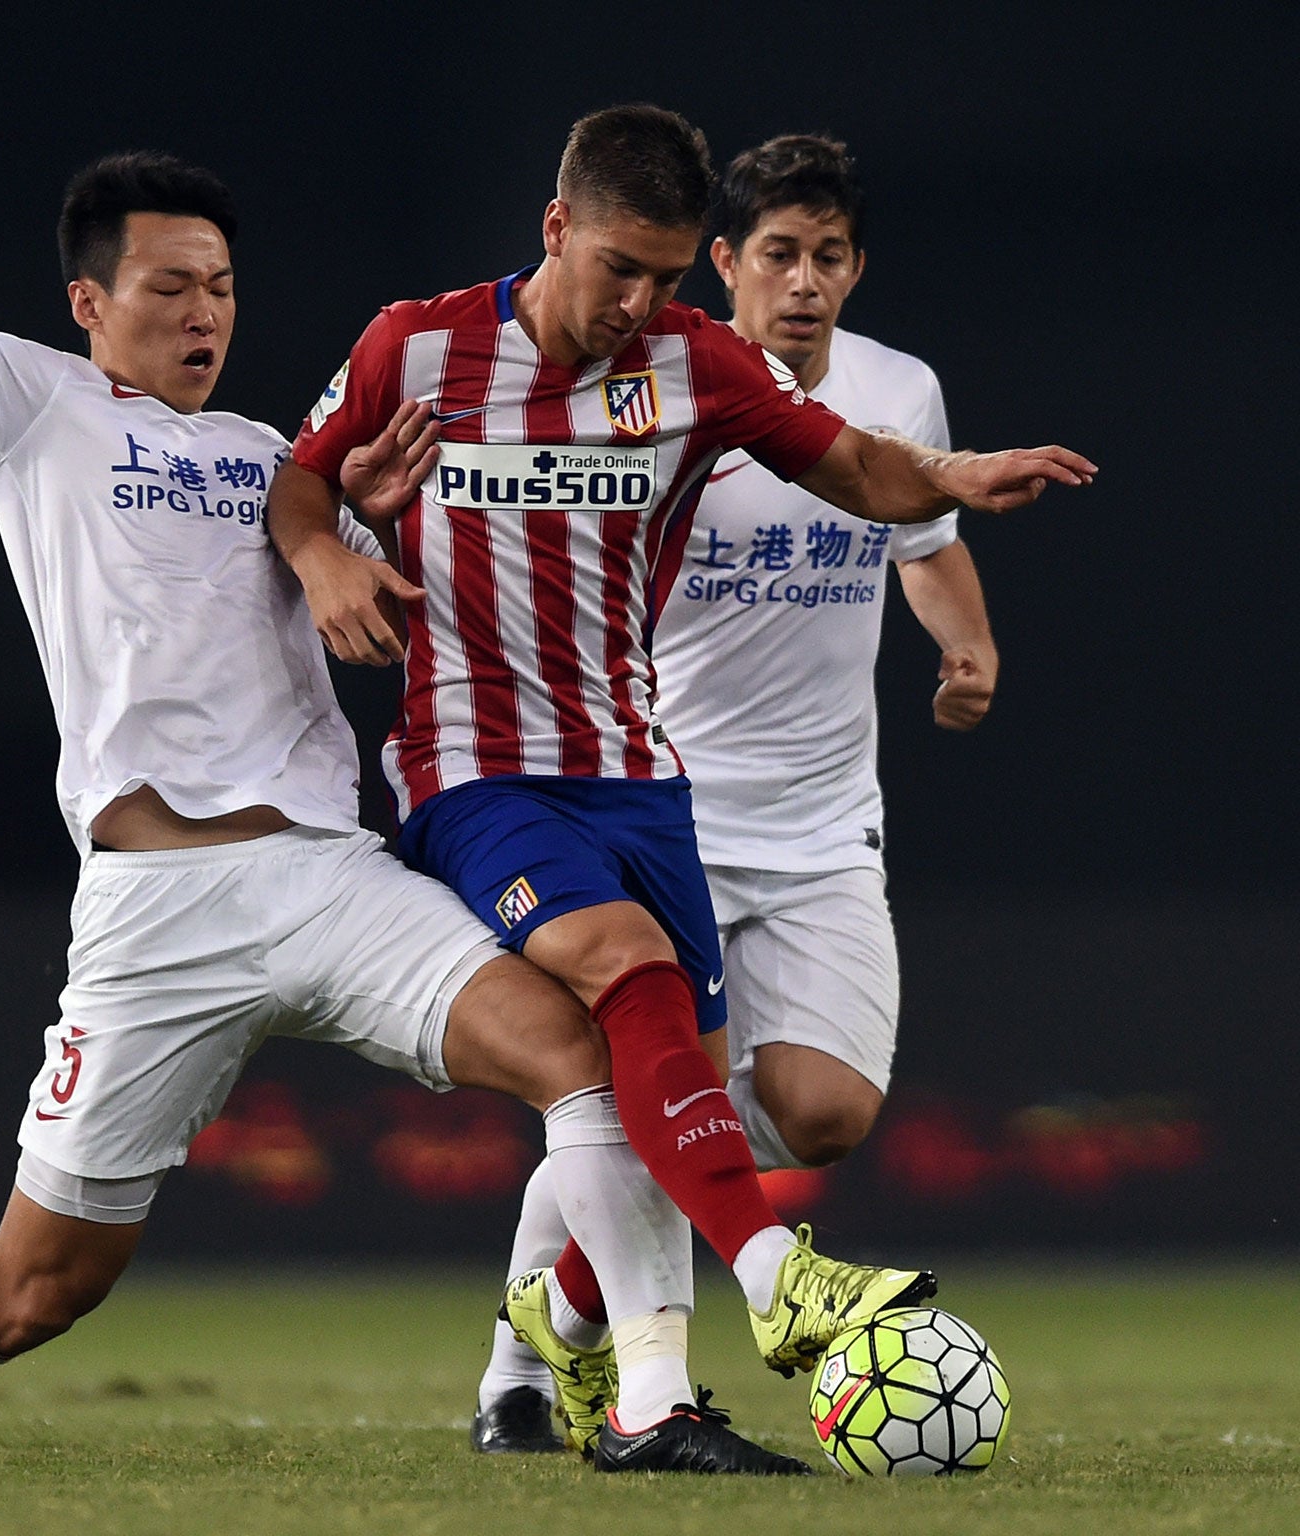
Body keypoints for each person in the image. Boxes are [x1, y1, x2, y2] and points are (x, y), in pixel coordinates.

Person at [0, 62, 875, 1476]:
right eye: (166, 287)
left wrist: (355, 544)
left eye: (221, 288)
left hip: (326, 881)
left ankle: (647, 1407)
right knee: (40, 1290)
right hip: (159, 915)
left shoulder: (277, 457)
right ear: (88, 302)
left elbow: (355, 585)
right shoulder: (33, 411)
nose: (203, 312)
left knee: (580, 1054)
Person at [266, 104, 1091, 1465]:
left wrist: (953, 477)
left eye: (662, 276)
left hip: (642, 777)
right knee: (632, 972)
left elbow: (855, 462)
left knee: (670, 1097)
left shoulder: (693, 362)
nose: (639, 303)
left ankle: (619, 1390)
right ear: (555, 228)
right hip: (474, 766)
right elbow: (303, 486)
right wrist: (325, 556)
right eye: (618, 270)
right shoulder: (413, 343)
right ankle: (777, 1281)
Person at [466, 131, 1002, 1451]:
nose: (805, 280)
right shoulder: (660, 393)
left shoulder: (901, 390)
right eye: (779, 254)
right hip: (676, 815)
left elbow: (922, 539)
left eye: (829, 256)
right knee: (652, 1085)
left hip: (826, 824)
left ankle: (561, 1302)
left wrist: (967, 641)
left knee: (826, 1110)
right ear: (724, 263)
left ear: (857, 267)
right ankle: (535, 1368)